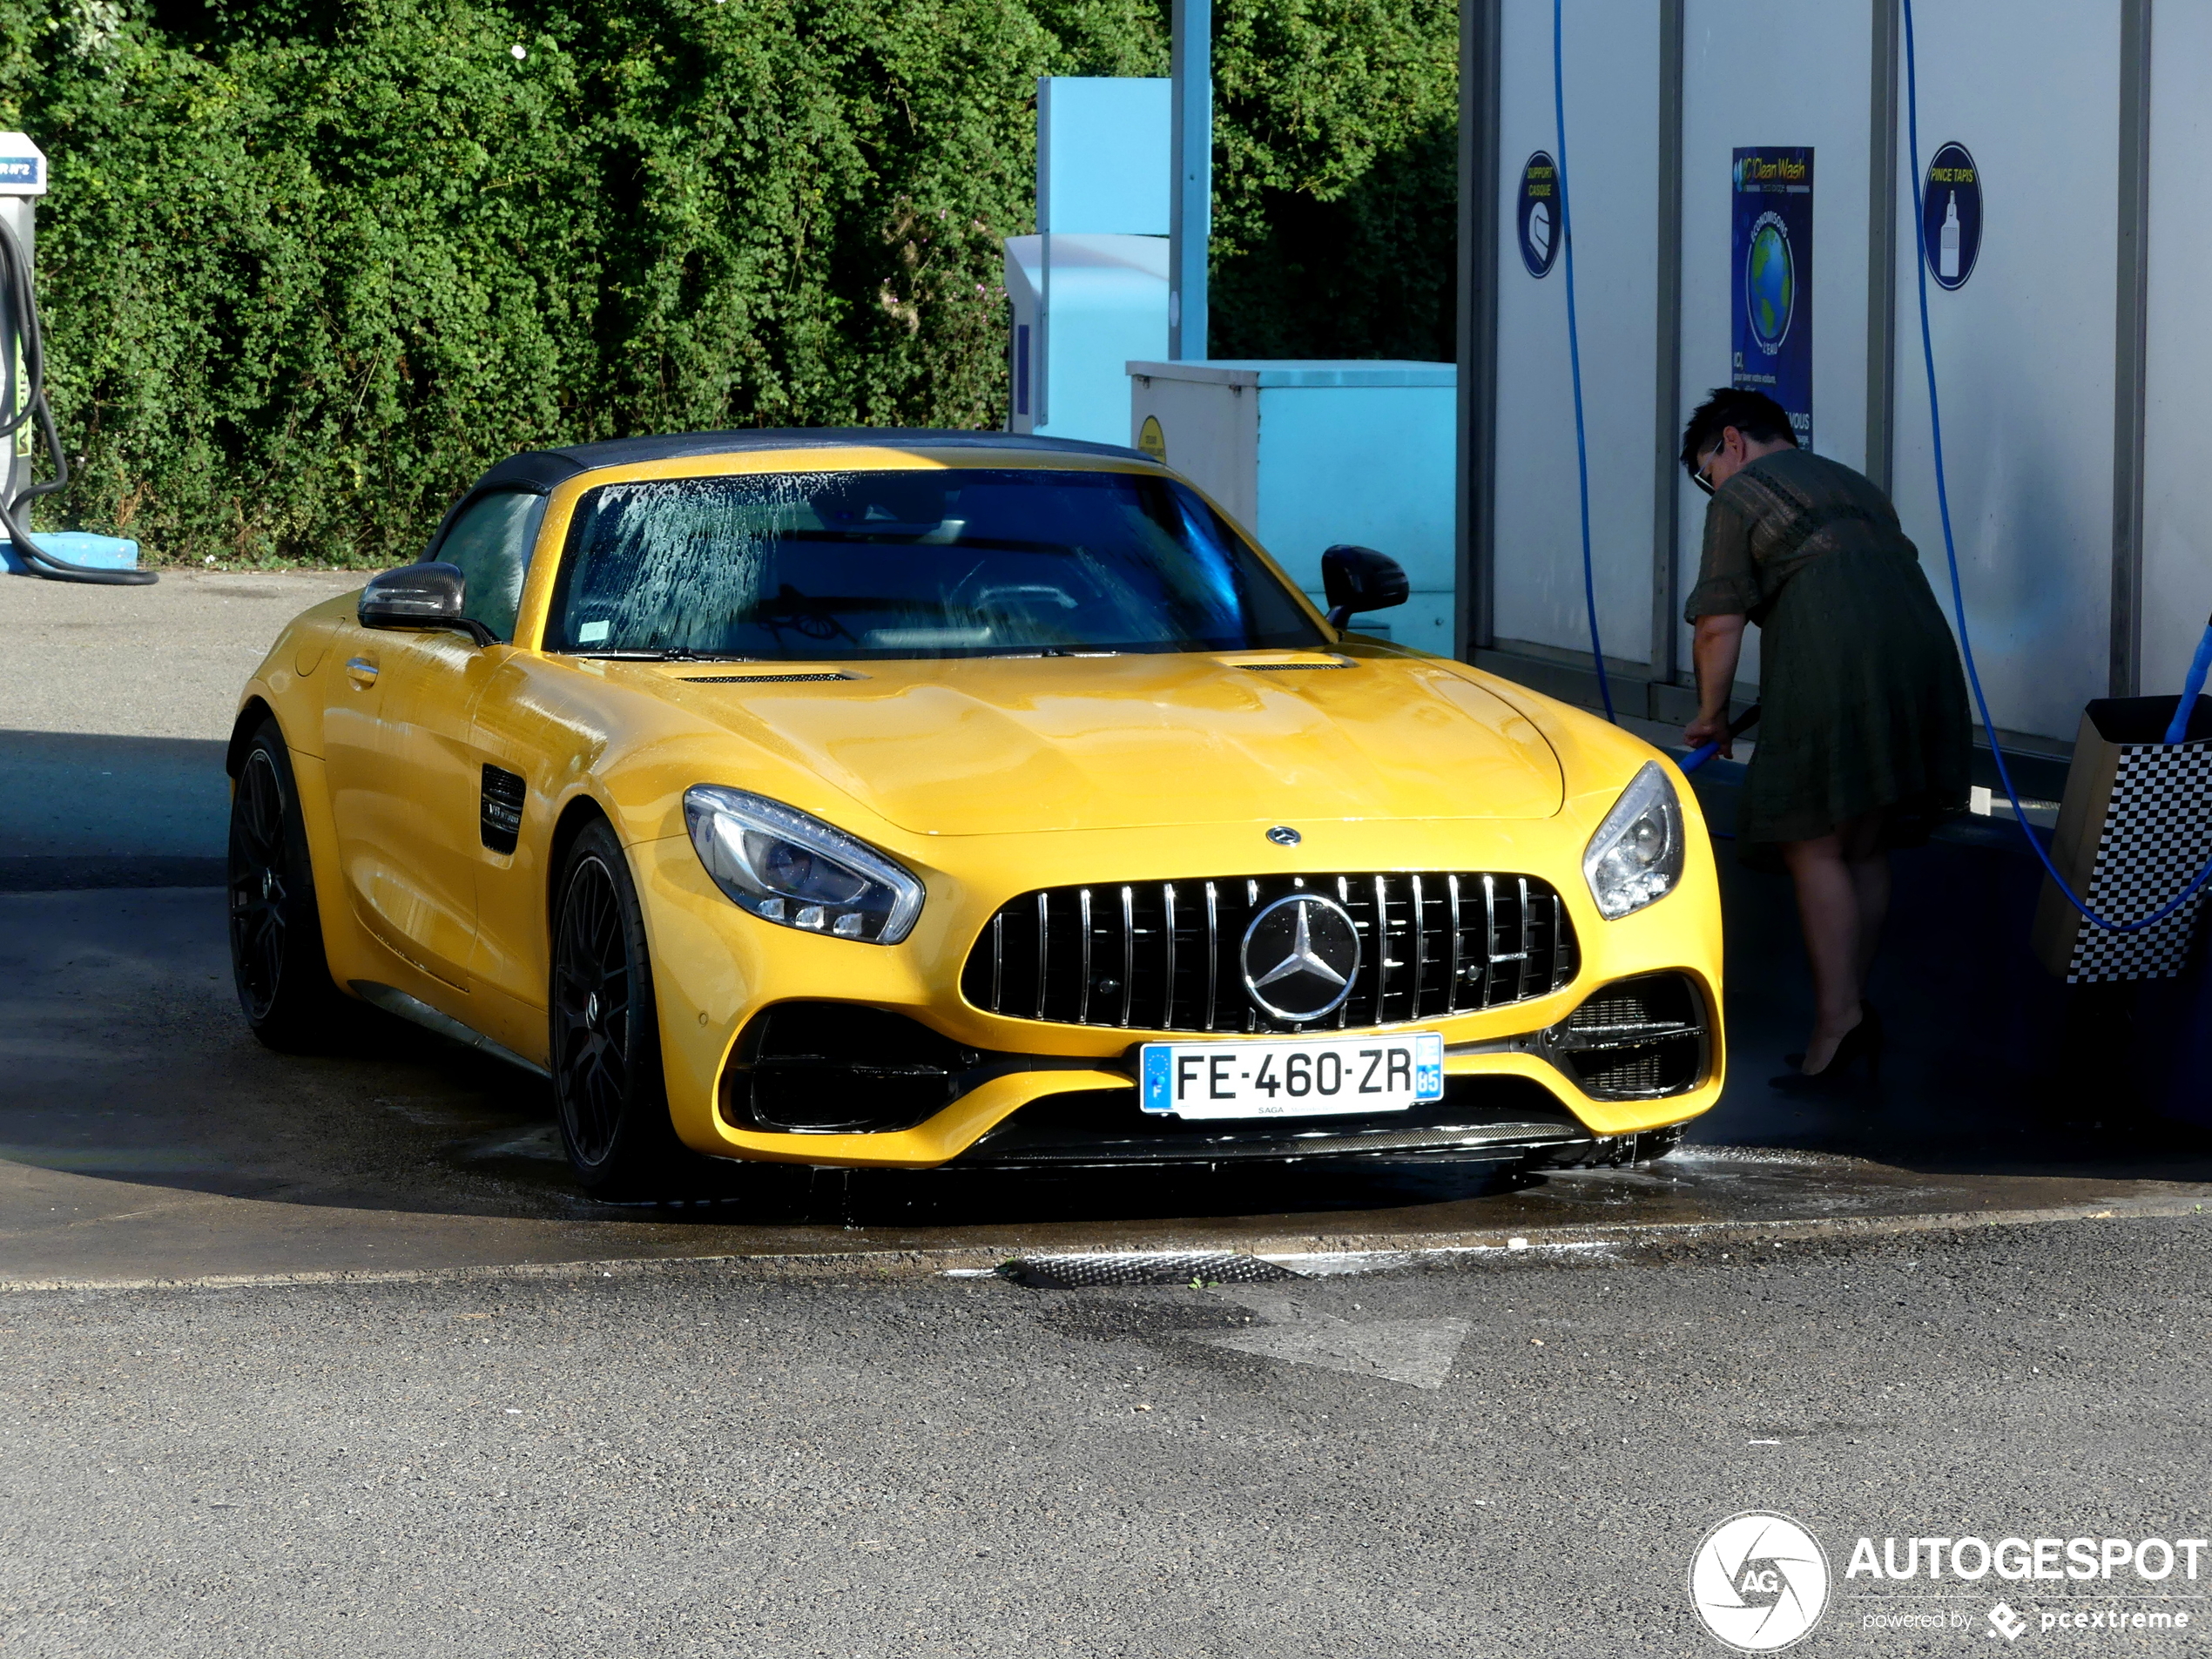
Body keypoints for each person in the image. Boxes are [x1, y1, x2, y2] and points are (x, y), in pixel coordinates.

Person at [1679, 388, 1971, 1091]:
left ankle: (1836, 1021)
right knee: (1863, 840)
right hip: (1922, 655)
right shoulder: (1854, 484)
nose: (1709, 485)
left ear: (1732, 443)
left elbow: (1719, 620)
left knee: (1812, 839)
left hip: (1837, 658)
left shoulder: (1742, 492)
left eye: (1704, 470)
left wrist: (1711, 714)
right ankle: (1851, 1013)